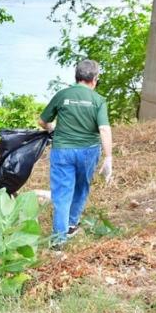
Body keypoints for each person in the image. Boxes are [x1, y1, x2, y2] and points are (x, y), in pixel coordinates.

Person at [38, 59, 113, 245]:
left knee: (62, 194)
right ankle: (71, 225)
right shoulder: (98, 100)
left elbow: (42, 121)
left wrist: (51, 129)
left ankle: (58, 240)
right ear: (94, 79)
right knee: (81, 187)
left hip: (62, 151)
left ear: (77, 76)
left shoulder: (63, 95)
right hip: (88, 152)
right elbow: (104, 129)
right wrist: (109, 157)